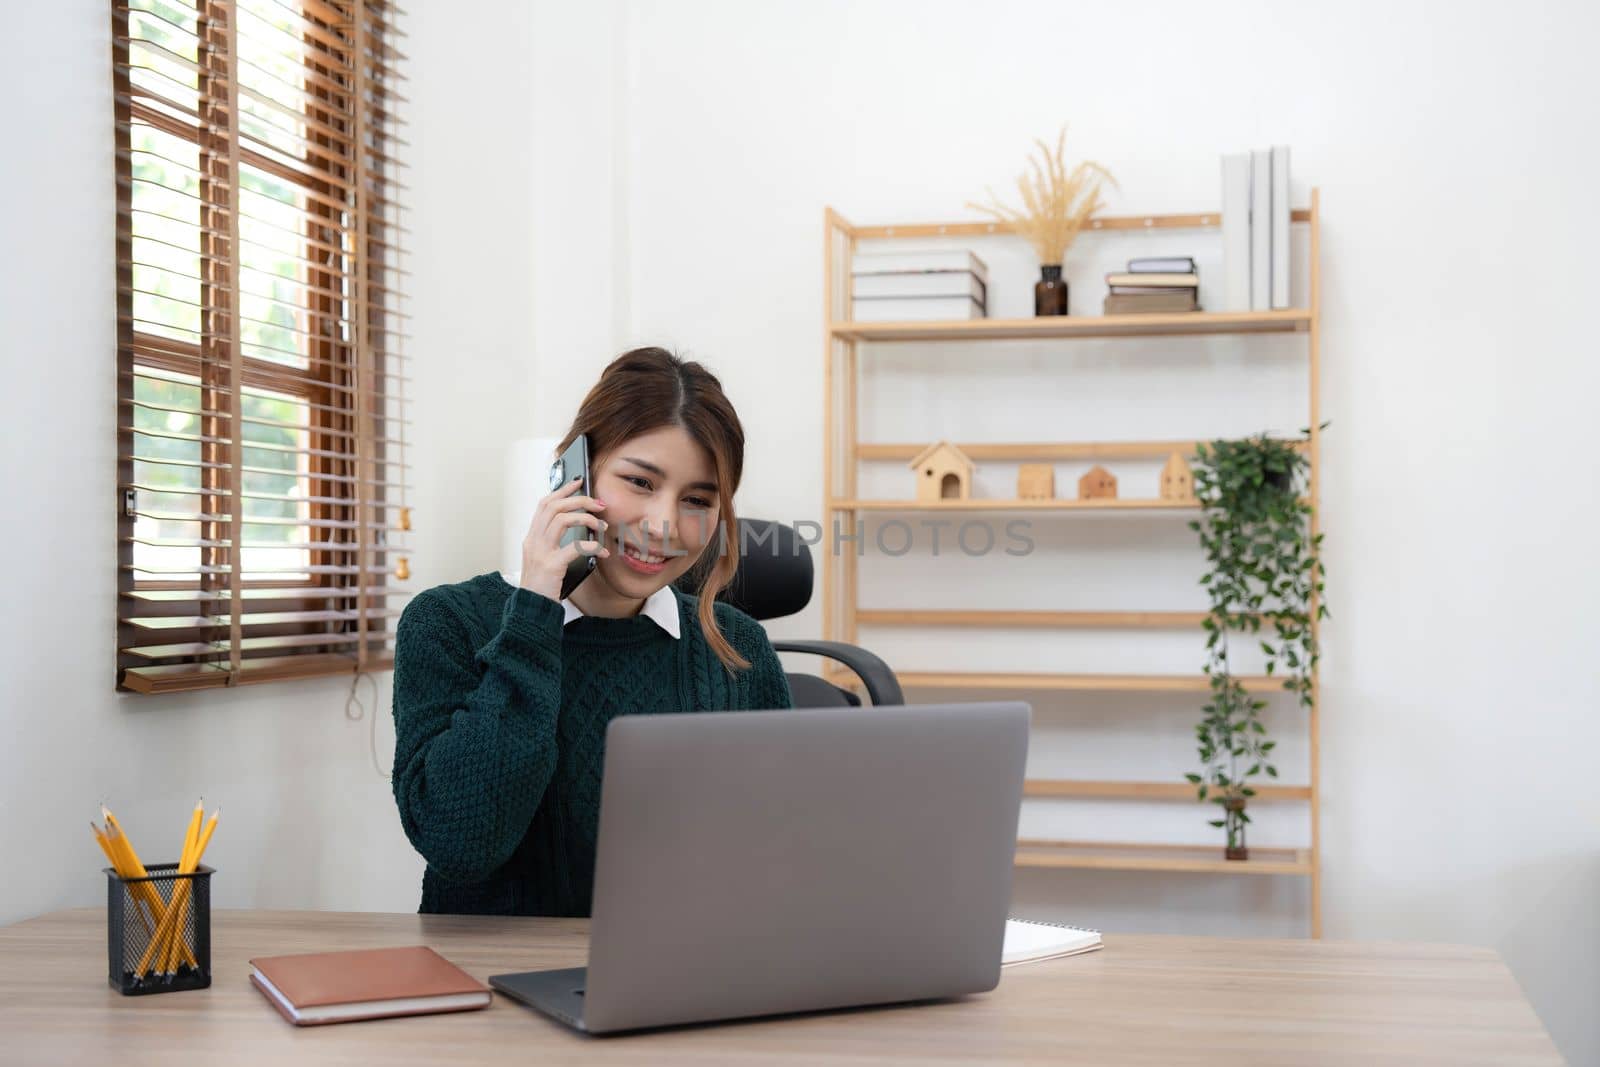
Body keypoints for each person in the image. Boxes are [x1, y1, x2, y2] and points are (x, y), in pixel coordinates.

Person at [391, 347, 794, 915]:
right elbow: (462, 845)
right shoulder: (448, 623)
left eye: (697, 499)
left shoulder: (738, 647)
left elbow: (779, 856)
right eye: (639, 482)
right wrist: (534, 611)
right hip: (492, 978)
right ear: (574, 473)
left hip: (681, 972)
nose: (662, 525)